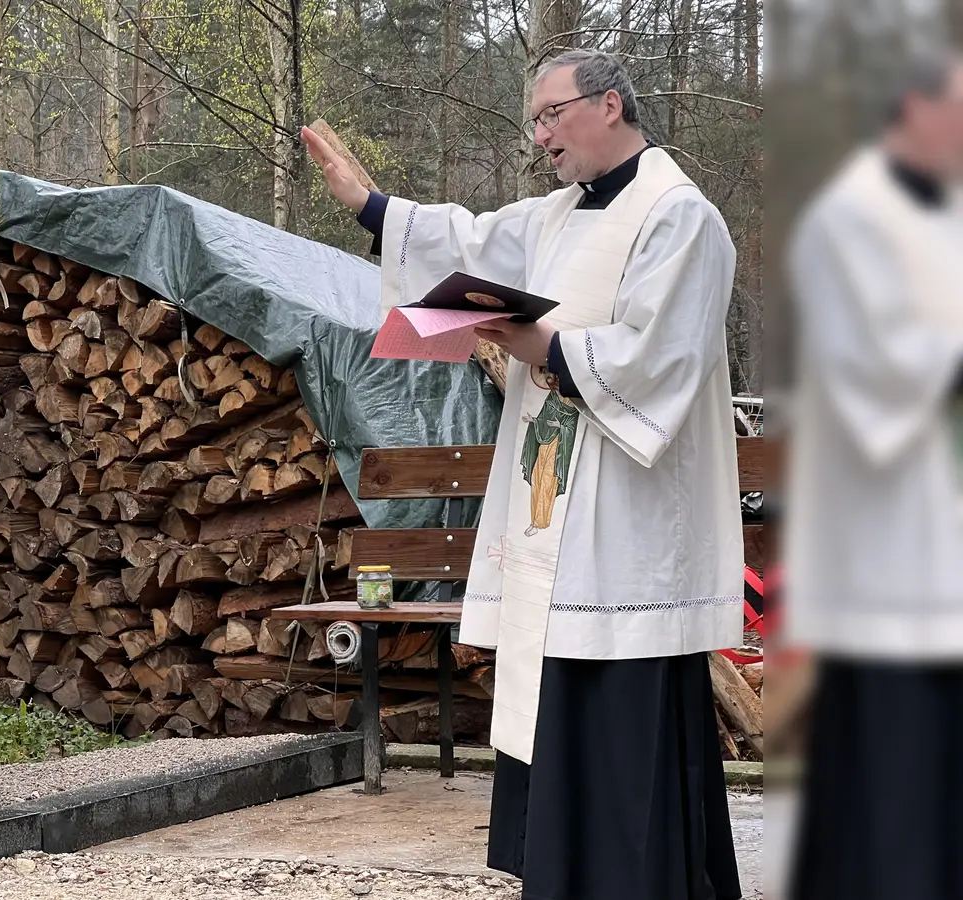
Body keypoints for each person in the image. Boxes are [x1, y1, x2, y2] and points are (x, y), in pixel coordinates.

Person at [303, 49, 744, 900]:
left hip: (627, 528)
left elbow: (662, 357)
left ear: (610, 104)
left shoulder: (678, 216)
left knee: (621, 719)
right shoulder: (557, 214)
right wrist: (370, 205)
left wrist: (539, 345)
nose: (538, 136)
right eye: (533, 119)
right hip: (552, 516)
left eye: (552, 114)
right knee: (553, 700)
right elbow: (468, 237)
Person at [781, 50, 963, 900]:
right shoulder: (848, 221)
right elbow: (874, 377)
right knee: (892, 763)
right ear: (914, 112)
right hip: (890, 555)